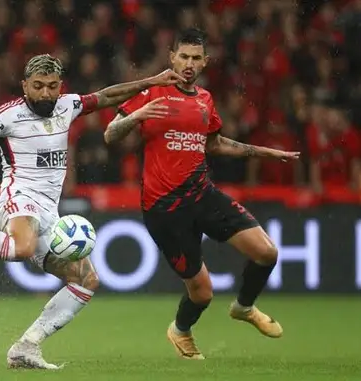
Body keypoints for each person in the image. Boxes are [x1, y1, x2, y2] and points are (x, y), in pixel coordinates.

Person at [0, 54, 185, 369]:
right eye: (38, 86)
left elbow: (107, 95)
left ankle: (26, 346)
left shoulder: (68, 106)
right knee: (22, 247)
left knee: (87, 280)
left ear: (60, 87)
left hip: (50, 212)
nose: (45, 94)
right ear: (24, 85)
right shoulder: (6, 116)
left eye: (52, 87)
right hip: (19, 196)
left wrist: (153, 81)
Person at [104, 28, 300, 360]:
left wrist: (265, 152)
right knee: (202, 294)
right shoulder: (152, 91)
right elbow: (111, 134)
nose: (189, 64)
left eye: (196, 58)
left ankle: (244, 307)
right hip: (164, 208)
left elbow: (216, 144)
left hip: (202, 194)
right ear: (172, 58)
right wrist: (136, 116)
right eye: (184, 56)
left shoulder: (206, 99)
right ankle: (180, 330)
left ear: (205, 62)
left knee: (267, 253)